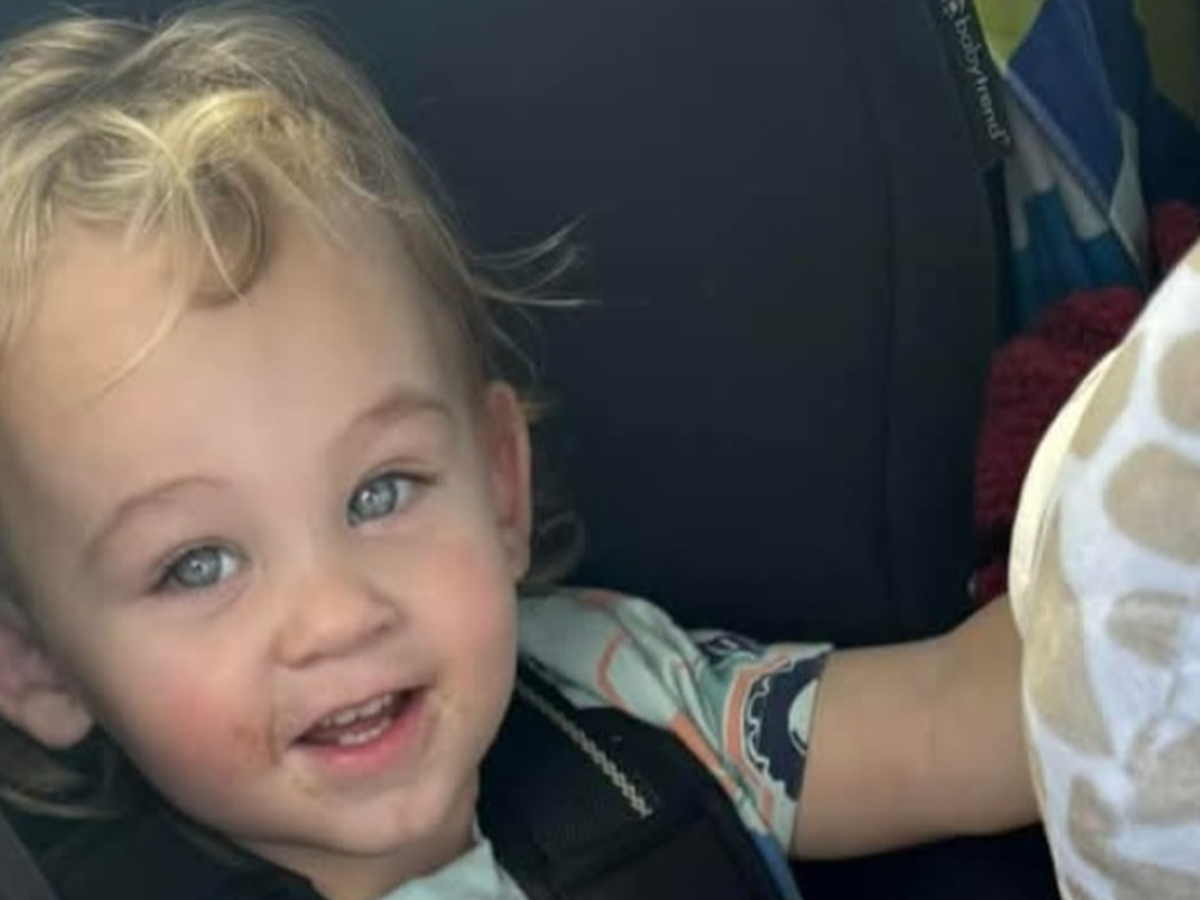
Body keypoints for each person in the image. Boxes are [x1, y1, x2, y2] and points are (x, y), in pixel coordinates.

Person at [0, 6, 1035, 900]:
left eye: (381, 492)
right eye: (198, 564)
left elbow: (955, 724)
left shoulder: (608, 689)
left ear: (500, 482)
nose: (338, 616)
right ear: (35, 664)